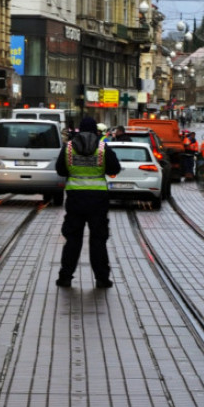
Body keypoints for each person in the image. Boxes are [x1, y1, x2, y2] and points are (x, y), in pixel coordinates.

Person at [54, 115, 121, 289]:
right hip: (98, 199)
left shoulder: (69, 148)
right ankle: (102, 278)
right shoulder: (102, 148)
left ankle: (65, 276)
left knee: (73, 239)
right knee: (98, 239)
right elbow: (115, 168)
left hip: (75, 198)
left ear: (79, 129)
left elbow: (60, 170)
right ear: (95, 130)